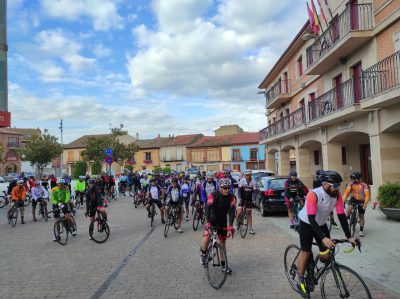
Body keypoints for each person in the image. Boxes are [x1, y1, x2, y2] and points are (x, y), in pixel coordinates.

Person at [295, 170, 356, 298]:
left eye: (339, 185)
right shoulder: (314, 194)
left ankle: (312, 266)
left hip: (321, 224)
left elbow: (341, 215)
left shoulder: (337, 195)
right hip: (307, 223)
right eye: (335, 186)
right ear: (326, 184)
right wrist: (323, 238)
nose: (337, 188)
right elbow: (311, 219)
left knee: (327, 253)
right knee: (305, 252)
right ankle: (300, 280)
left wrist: (349, 236)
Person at [199, 178, 235, 274]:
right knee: (207, 235)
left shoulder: (231, 197)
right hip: (212, 218)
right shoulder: (213, 195)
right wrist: (208, 222)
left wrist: (231, 225)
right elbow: (207, 207)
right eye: (225, 188)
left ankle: (224, 266)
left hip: (222, 220)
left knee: (222, 243)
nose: (227, 190)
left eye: (228, 188)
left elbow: (231, 211)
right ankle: (203, 253)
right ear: (220, 188)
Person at [343, 171, 370, 237]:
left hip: (362, 201)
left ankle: (361, 231)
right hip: (353, 199)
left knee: (361, 216)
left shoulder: (364, 185)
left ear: (358, 178)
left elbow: (367, 195)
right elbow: (346, 192)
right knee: (349, 208)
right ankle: (348, 217)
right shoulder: (351, 184)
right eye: (352, 179)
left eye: (354, 179)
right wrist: (343, 200)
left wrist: (365, 204)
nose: (352, 180)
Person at [236, 169, 256, 234]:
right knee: (239, 212)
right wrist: (239, 198)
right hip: (242, 197)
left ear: (250, 175)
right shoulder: (242, 180)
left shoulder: (253, 181)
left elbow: (254, 192)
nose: (247, 176)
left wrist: (253, 200)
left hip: (249, 198)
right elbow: (239, 190)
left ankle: (250, 228)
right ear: (244, 175)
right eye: (246, 175)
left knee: (249, 213)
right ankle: (237, 223)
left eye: (248, 175)